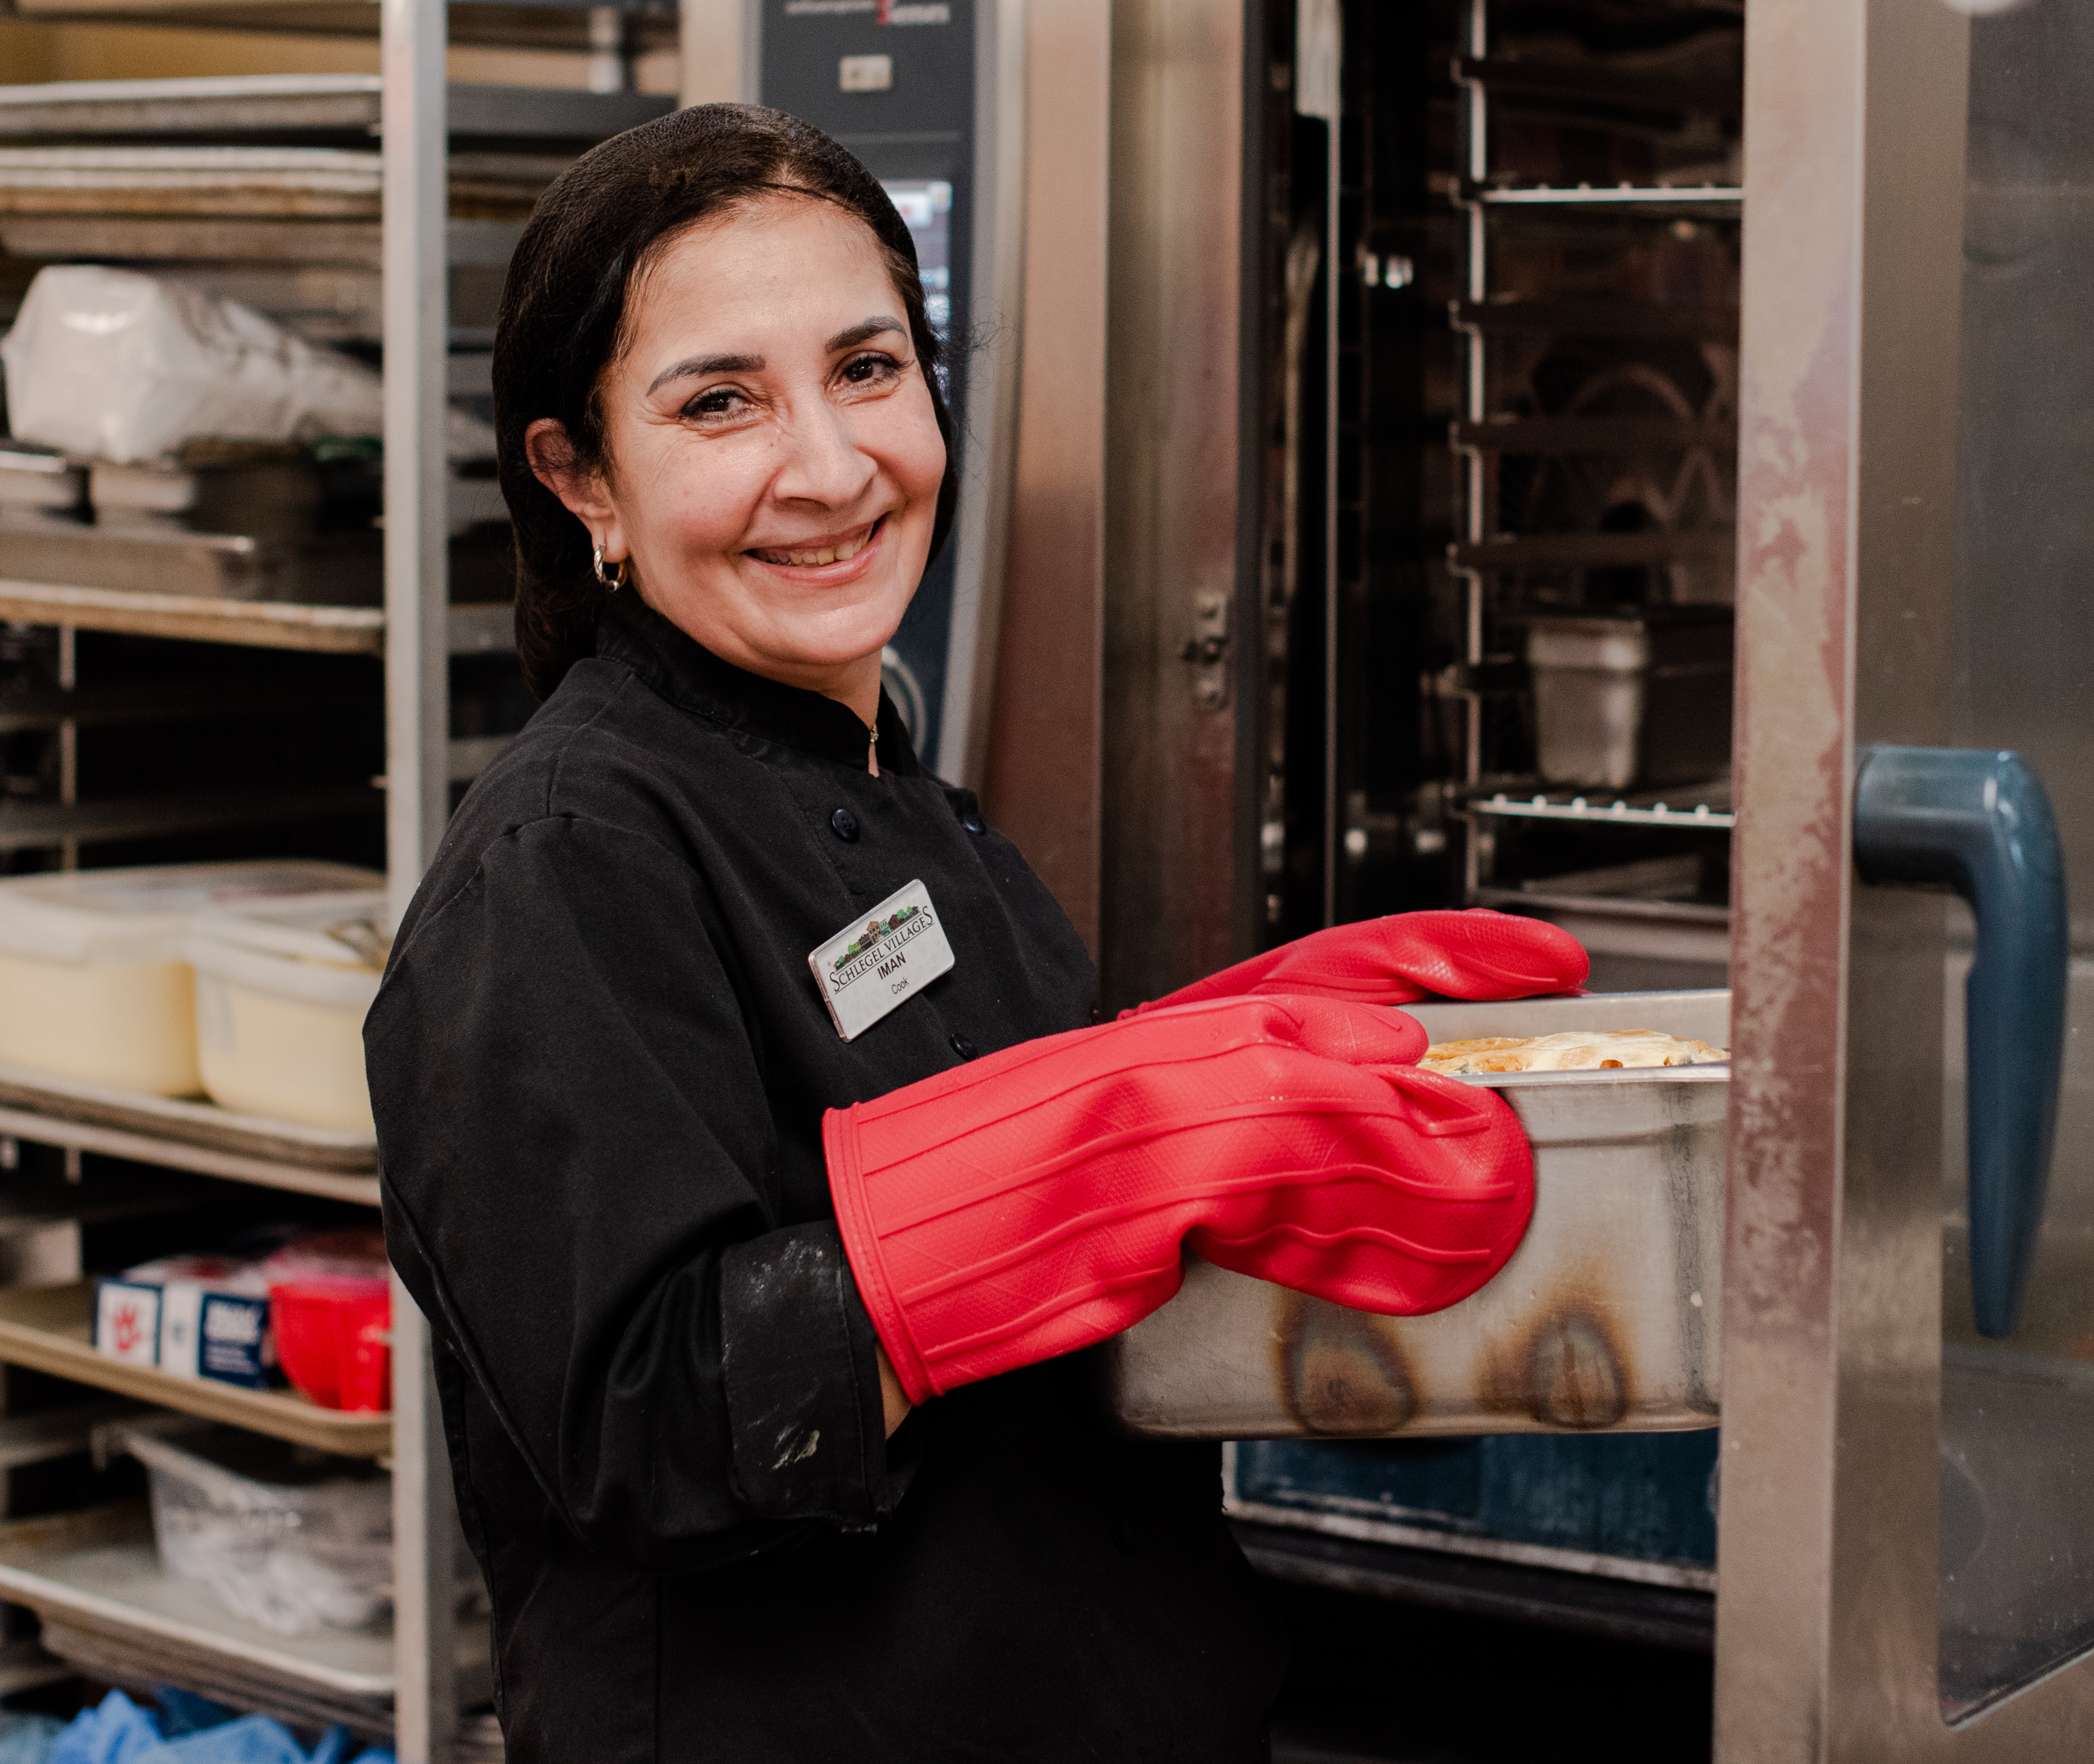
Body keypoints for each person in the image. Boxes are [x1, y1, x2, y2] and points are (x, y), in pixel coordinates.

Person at [366, 103, 1587, 1762]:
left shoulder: (890, 784)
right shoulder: (564, 861)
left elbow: (1040, 1317)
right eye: (722, 400)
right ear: (583, 477)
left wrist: (1197, 1097)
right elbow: (650, 1423)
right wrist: (1098, 1148)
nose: (830, 465)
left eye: (868, 367)